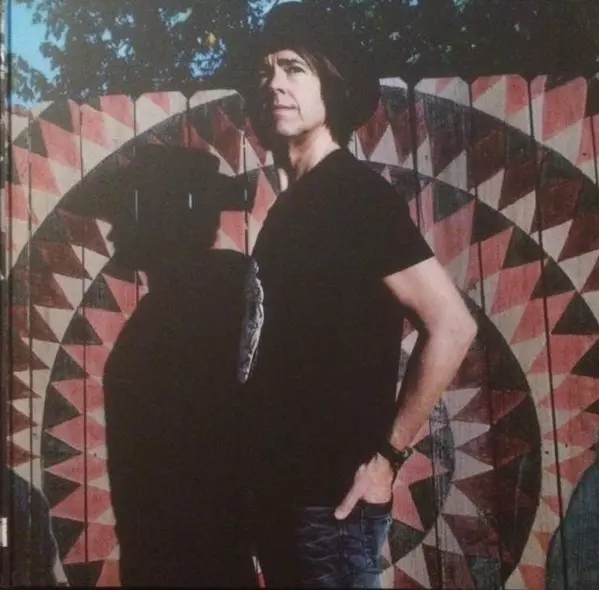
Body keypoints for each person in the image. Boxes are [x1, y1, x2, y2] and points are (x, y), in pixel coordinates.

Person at [236, 3, 478, 588]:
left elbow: (452, 325)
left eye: (294, 68)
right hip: (282, 497)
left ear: (333, 86)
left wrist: (386, 461)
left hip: (331, 506)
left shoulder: (352, 195)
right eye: (266, 71)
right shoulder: (291, 208)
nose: (274, 83)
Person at [102, 146, 261, 588]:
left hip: (185, 550)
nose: (113, 231)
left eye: (127, 211)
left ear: (163, 216)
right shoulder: (224, 287)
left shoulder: (204, 298)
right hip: (189, 547)